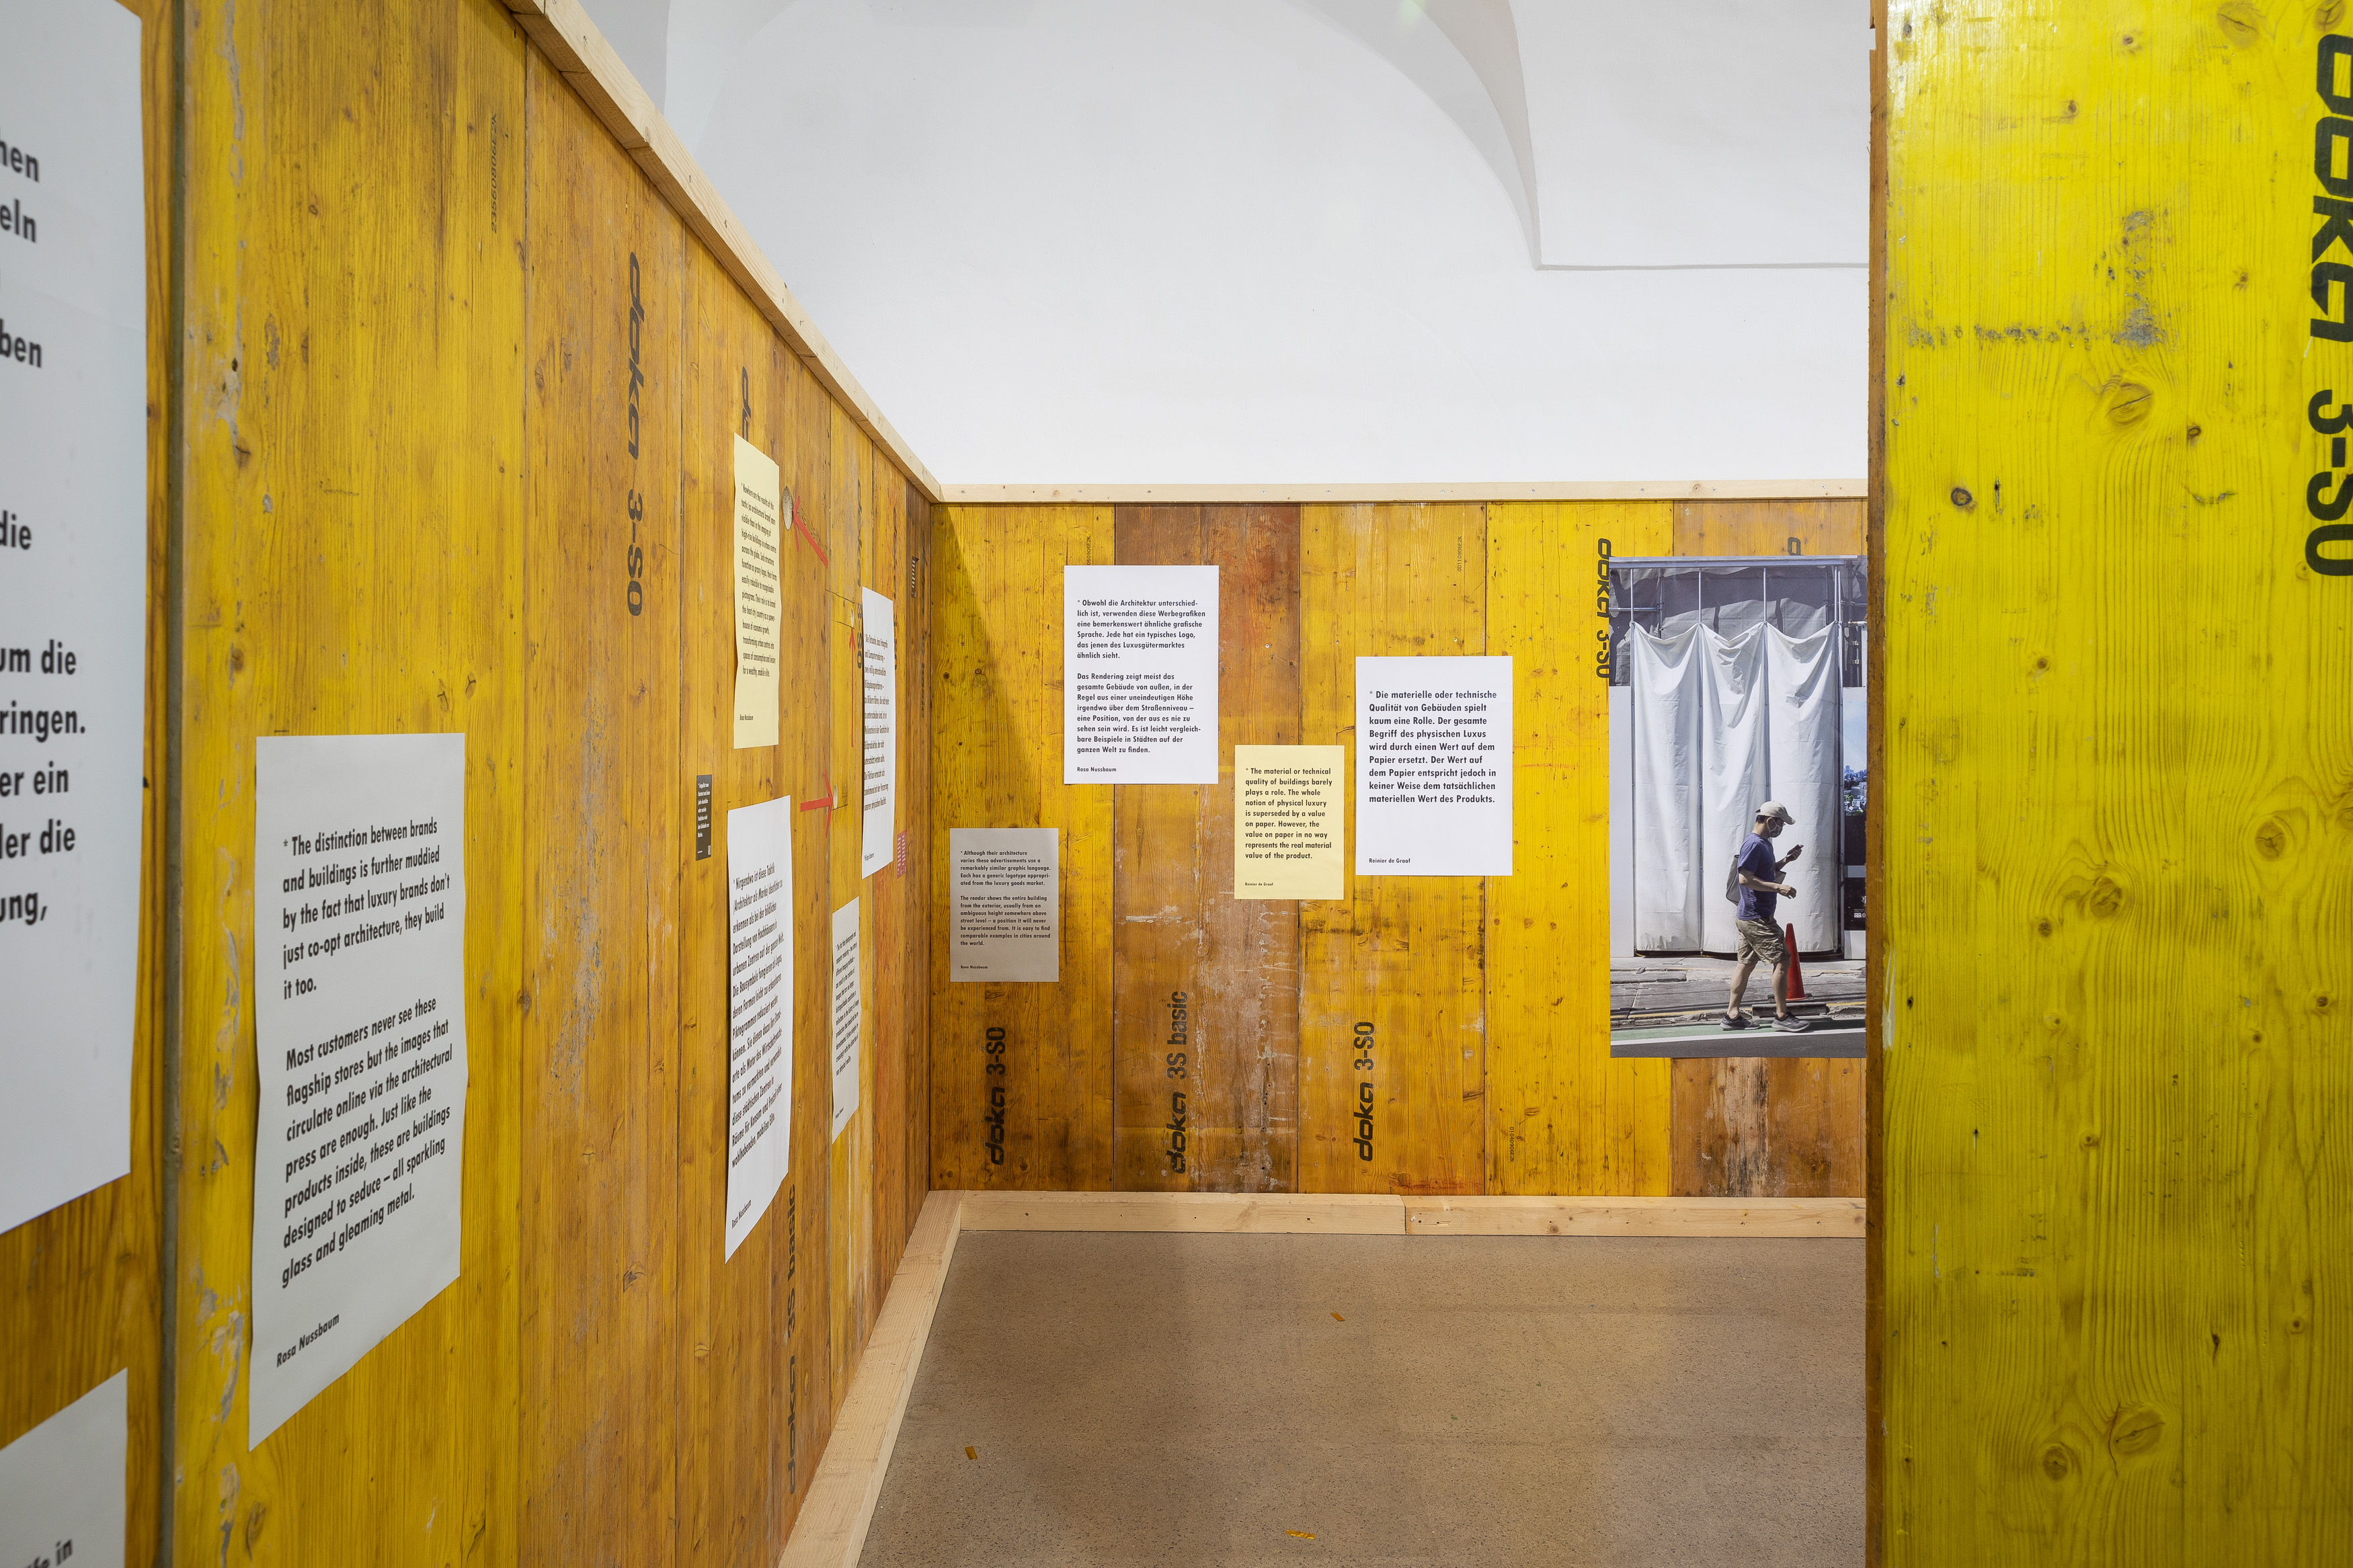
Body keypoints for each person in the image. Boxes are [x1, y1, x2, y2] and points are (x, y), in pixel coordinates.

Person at [1723, 800, 1808, 1032]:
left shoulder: (1764, 844)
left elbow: (1764, 872)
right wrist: (1779, 887)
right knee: (1783, 961)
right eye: (1781, 824)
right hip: (1757, 917)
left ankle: (1732, 1016)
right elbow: (1745, 879)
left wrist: (1786, 860)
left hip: (1749, 916)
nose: (1781, 828)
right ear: (1770, 821)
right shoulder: (1754, 844)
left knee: (1745, 965)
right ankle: (1782, 1016)